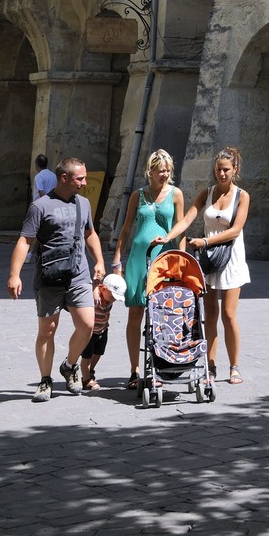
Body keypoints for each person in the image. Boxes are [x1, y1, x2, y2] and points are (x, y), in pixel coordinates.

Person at [6, 156, 106, 401]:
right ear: (65, 178)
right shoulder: (40, 206)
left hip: (78, 274)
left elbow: (90, 233)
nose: (84, 182)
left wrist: (100, 261)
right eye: (80, 178)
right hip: (50, 276)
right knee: (47, 331)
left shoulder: (83, 203)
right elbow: (25, 241)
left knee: (87, 325)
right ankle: (45, 380)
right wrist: (14, 275)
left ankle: (69, 366)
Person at [163, 145, 250, 384]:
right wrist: (169, 237)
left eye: (226, 170)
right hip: (209, 259)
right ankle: (210, 367)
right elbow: (188, 218)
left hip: (231, 258)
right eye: (218, 170)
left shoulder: (242, 196)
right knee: (210, 315)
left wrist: (205, 240)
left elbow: (235, 230)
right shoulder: (206, 193)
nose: (221, 174)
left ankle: (234, 366)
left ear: (235, 170)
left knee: (229, 315)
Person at [111, 149, 184, 391]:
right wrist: (117, 261)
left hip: (163, 262)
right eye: (160, 170)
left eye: (168, 170)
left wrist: (182, 259)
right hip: (137, 262)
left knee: (162, 316)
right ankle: (134, 369)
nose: (165, 174)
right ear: (150, 171)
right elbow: (126, 228)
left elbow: (180, 229)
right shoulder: (138, 196)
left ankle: (159, 364)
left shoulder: (176, 194)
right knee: (135, 314)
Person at [80, 271, 126, 392]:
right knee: (87, 357)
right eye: (112, 296)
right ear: (103, 289)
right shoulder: (96, 299)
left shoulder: (108, 299)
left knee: (98, 353)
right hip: (90, 333)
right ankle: (86, 379)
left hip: (103, 330)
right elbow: (95, 289)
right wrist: (96, 281)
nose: (113, 300)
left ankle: (90, 371)